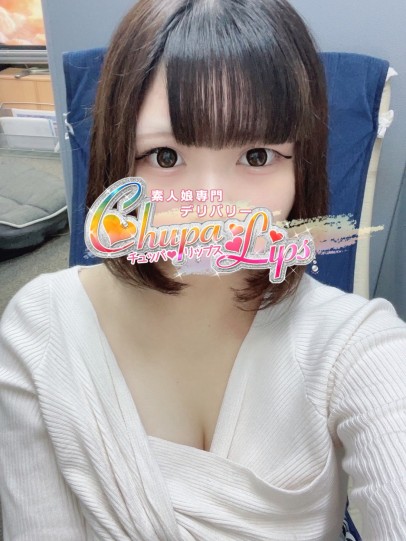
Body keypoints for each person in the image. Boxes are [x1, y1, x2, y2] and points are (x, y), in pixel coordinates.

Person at [0, 0, 405, 539]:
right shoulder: (40, 327)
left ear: (301, 165)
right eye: (165, 157)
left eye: (257, 156)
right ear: (115, 159)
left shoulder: (358, 344)